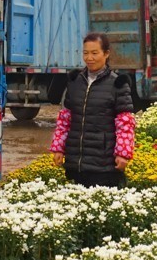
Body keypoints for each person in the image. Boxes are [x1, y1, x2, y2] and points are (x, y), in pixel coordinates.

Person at [49, 33, 136, 187]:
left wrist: (123, 154)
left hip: (103, 164)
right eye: (86, 53)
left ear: (106, 54)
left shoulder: (118, 84)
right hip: (76, 163)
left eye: (95, 53)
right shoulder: (75, 82)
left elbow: (125, 124)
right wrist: (58, 148)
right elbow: (65, 119)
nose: (89, 58)